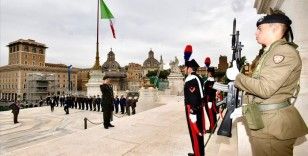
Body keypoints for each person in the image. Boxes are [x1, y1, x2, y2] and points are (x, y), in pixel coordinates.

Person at [227, 11, 308, 156]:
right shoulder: (269, 53)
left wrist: (237, 77)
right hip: (265, 122)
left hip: (272, 127)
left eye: (260, 29)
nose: (256, 33)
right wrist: (245, 109)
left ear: (275, 29)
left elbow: (265, 88)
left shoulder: (283, 52)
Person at [183, 45, 205, 156]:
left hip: (193, 110)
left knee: (195, 134)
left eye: (185, 68)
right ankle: (198, 152)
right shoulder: (198, 77)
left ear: (190, 68)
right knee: (197, 134)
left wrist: (193, 112)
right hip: (197, 109)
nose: (184, 70)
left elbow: (194, 97)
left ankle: (198, 154)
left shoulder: (191, 79)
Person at [203, 67, 217, 133]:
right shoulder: (211, 81)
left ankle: (212, 128)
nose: (207, 73)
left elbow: (211, 92)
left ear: (210, 73)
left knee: (211, 114)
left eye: (208, 72)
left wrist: (210, 101)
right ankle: (213, 126)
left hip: (209, 100)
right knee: (211, 114)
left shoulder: (211, 81)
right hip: (208, 99)